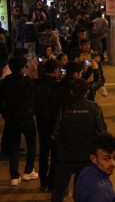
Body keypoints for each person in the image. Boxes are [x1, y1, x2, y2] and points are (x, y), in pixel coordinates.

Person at [51, 79, 107, 202]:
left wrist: (64, 145)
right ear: (87, 92)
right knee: (82, 190)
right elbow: (102, 132)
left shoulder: (63, 108)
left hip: (66, 155)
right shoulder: (94, 108)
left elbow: (56, 132)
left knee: (59, 189)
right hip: (86, 155)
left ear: (71, 91)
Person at [0, 56, 39, 186]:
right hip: (26, 117)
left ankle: (14, 176)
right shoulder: (27, 81)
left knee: (14, 146)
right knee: (31, 143)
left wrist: (5, 115)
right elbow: (35, 94)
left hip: (11, 118)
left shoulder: (4, 82)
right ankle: (28, 171)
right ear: (23, 68)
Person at [74, 132, 115, 202]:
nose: (113, 163)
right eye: (106, 159)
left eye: (114, 157)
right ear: (93, 158)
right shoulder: (103, 192)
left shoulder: (85, 172)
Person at [35, 59, 61, 191]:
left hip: (41, 123)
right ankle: (51, 182)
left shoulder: (36, 84)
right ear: (56, 71)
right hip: (54, 125)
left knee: (43, 153)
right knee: (55, 155)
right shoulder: (57, 86)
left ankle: (43, 182)